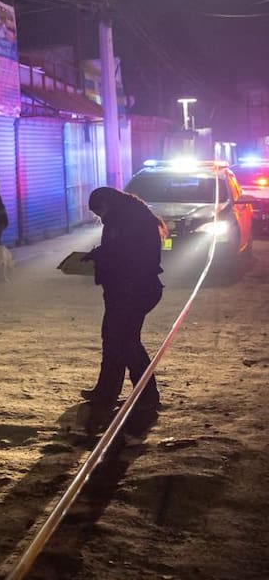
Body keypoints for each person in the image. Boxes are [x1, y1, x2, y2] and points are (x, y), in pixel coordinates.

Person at [80, 186, 167, 434]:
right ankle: (106, 392)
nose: (100, 216)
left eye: (99, 210)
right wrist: (98, 255)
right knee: (113, 338)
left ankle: (147, 395)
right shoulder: (127, 215)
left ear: (108, 203)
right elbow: (118, 249)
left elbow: (124, 252)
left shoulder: (128, 219)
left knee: (126, 342)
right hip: (126, 289)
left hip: (134, 290)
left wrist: (98, 257)